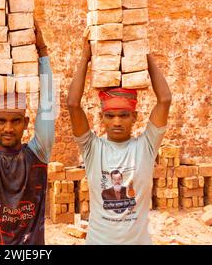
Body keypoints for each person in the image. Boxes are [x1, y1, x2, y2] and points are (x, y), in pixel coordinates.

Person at [67, 27, 172, 245]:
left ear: (134, 117)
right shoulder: (92, 149)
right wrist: (86, 57)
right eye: (110, 116)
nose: (116, 122)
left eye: (123, 115)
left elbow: (165, 100)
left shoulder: (146, 146)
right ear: (101, 117)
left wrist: (142, 53)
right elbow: (72, 104)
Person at [0, 20, 55, 245]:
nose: (7, 128)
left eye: (15, 121)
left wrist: (42, 53)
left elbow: (48, 105)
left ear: (26, 123)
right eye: (1, 121)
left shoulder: (38, 154)